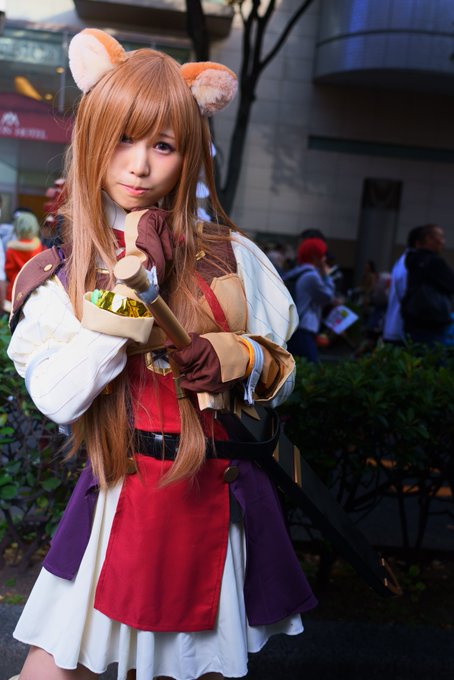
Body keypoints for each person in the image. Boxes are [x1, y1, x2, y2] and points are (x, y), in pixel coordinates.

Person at [6, 28, 316, 680]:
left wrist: (236, 357)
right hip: (115, 498)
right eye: (123, 138)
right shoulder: (58, 271)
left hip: (215, 498)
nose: (139, 166)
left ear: (189, 153)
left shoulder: (234, 257)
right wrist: (131, 294)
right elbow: (58, 397)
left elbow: (285, 373)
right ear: (92, 138)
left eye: (164, 145)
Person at [401, 224, 454, 347]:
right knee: (433, 354)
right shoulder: (434, 262)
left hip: (412, 318)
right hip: (432, 320)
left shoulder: (410, 260)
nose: (443, 242)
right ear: (429, 239)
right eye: (440, 237)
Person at [284, 237, 335, 362]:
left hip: (294, 326)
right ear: (315, 257)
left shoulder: (297, 273)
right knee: (312, 365)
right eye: (322, 255)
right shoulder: (312, 276)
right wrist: (326, 276)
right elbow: (328, 297)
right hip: (305, 327)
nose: (324, 259)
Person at [382, 226, 426, 344]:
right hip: (401, 330)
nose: (442, 242)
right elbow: (406, 295)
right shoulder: (410, 263)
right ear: (419, 243)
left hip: (395, 327)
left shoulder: (404, 260)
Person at [4, 210, 44, 309]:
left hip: (14, 289)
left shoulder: (11, 250)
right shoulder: (39, 247)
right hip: (34, 289)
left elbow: (8, 272)